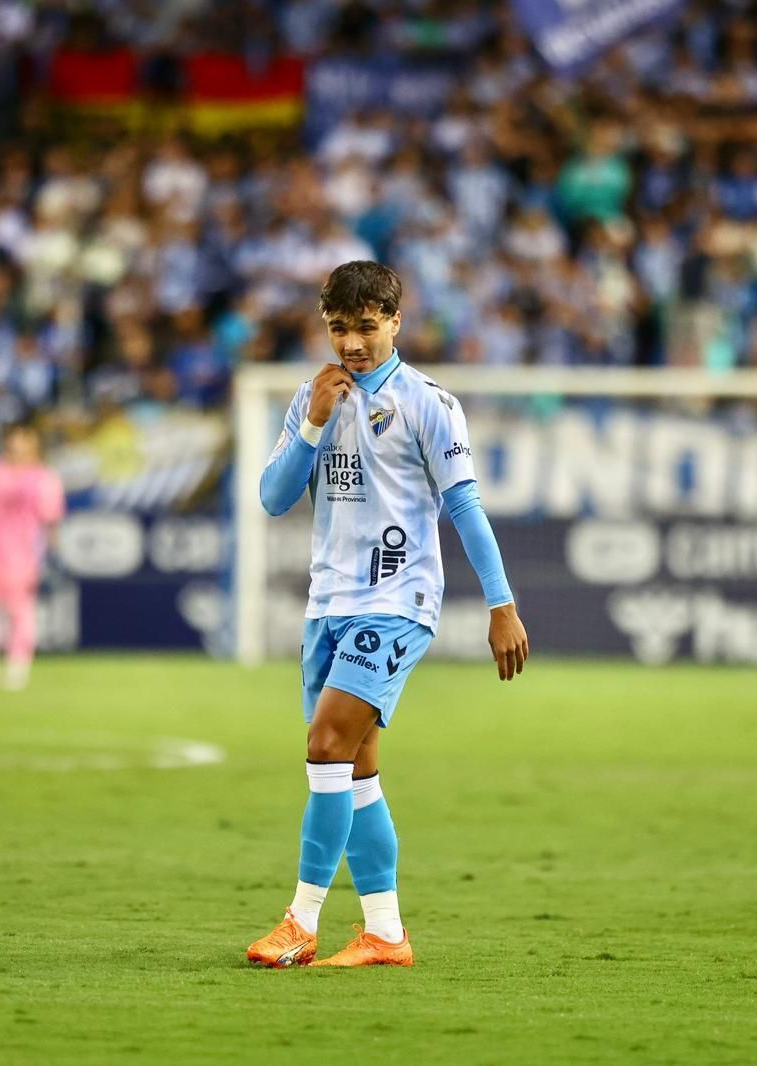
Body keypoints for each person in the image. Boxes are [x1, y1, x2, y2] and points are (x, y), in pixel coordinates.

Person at [246, 260, 529, 968]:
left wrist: (502, 604)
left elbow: (463, 505)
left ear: (395, 322)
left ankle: (300, 923)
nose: (351, 343)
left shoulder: (430, 402)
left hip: (397, 601)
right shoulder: (311, 399)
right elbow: (274, 498)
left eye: (366, 327)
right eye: (339, 328)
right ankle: (385, 933)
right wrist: (311, 423)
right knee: (357, 770)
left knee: (324, 746)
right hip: (329, 603)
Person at [0, 419, 65, 690]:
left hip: (24, 555)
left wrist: (53, 553)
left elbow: (51, 519)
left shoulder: (45, 477)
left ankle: (17, 665)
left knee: (20, 612)